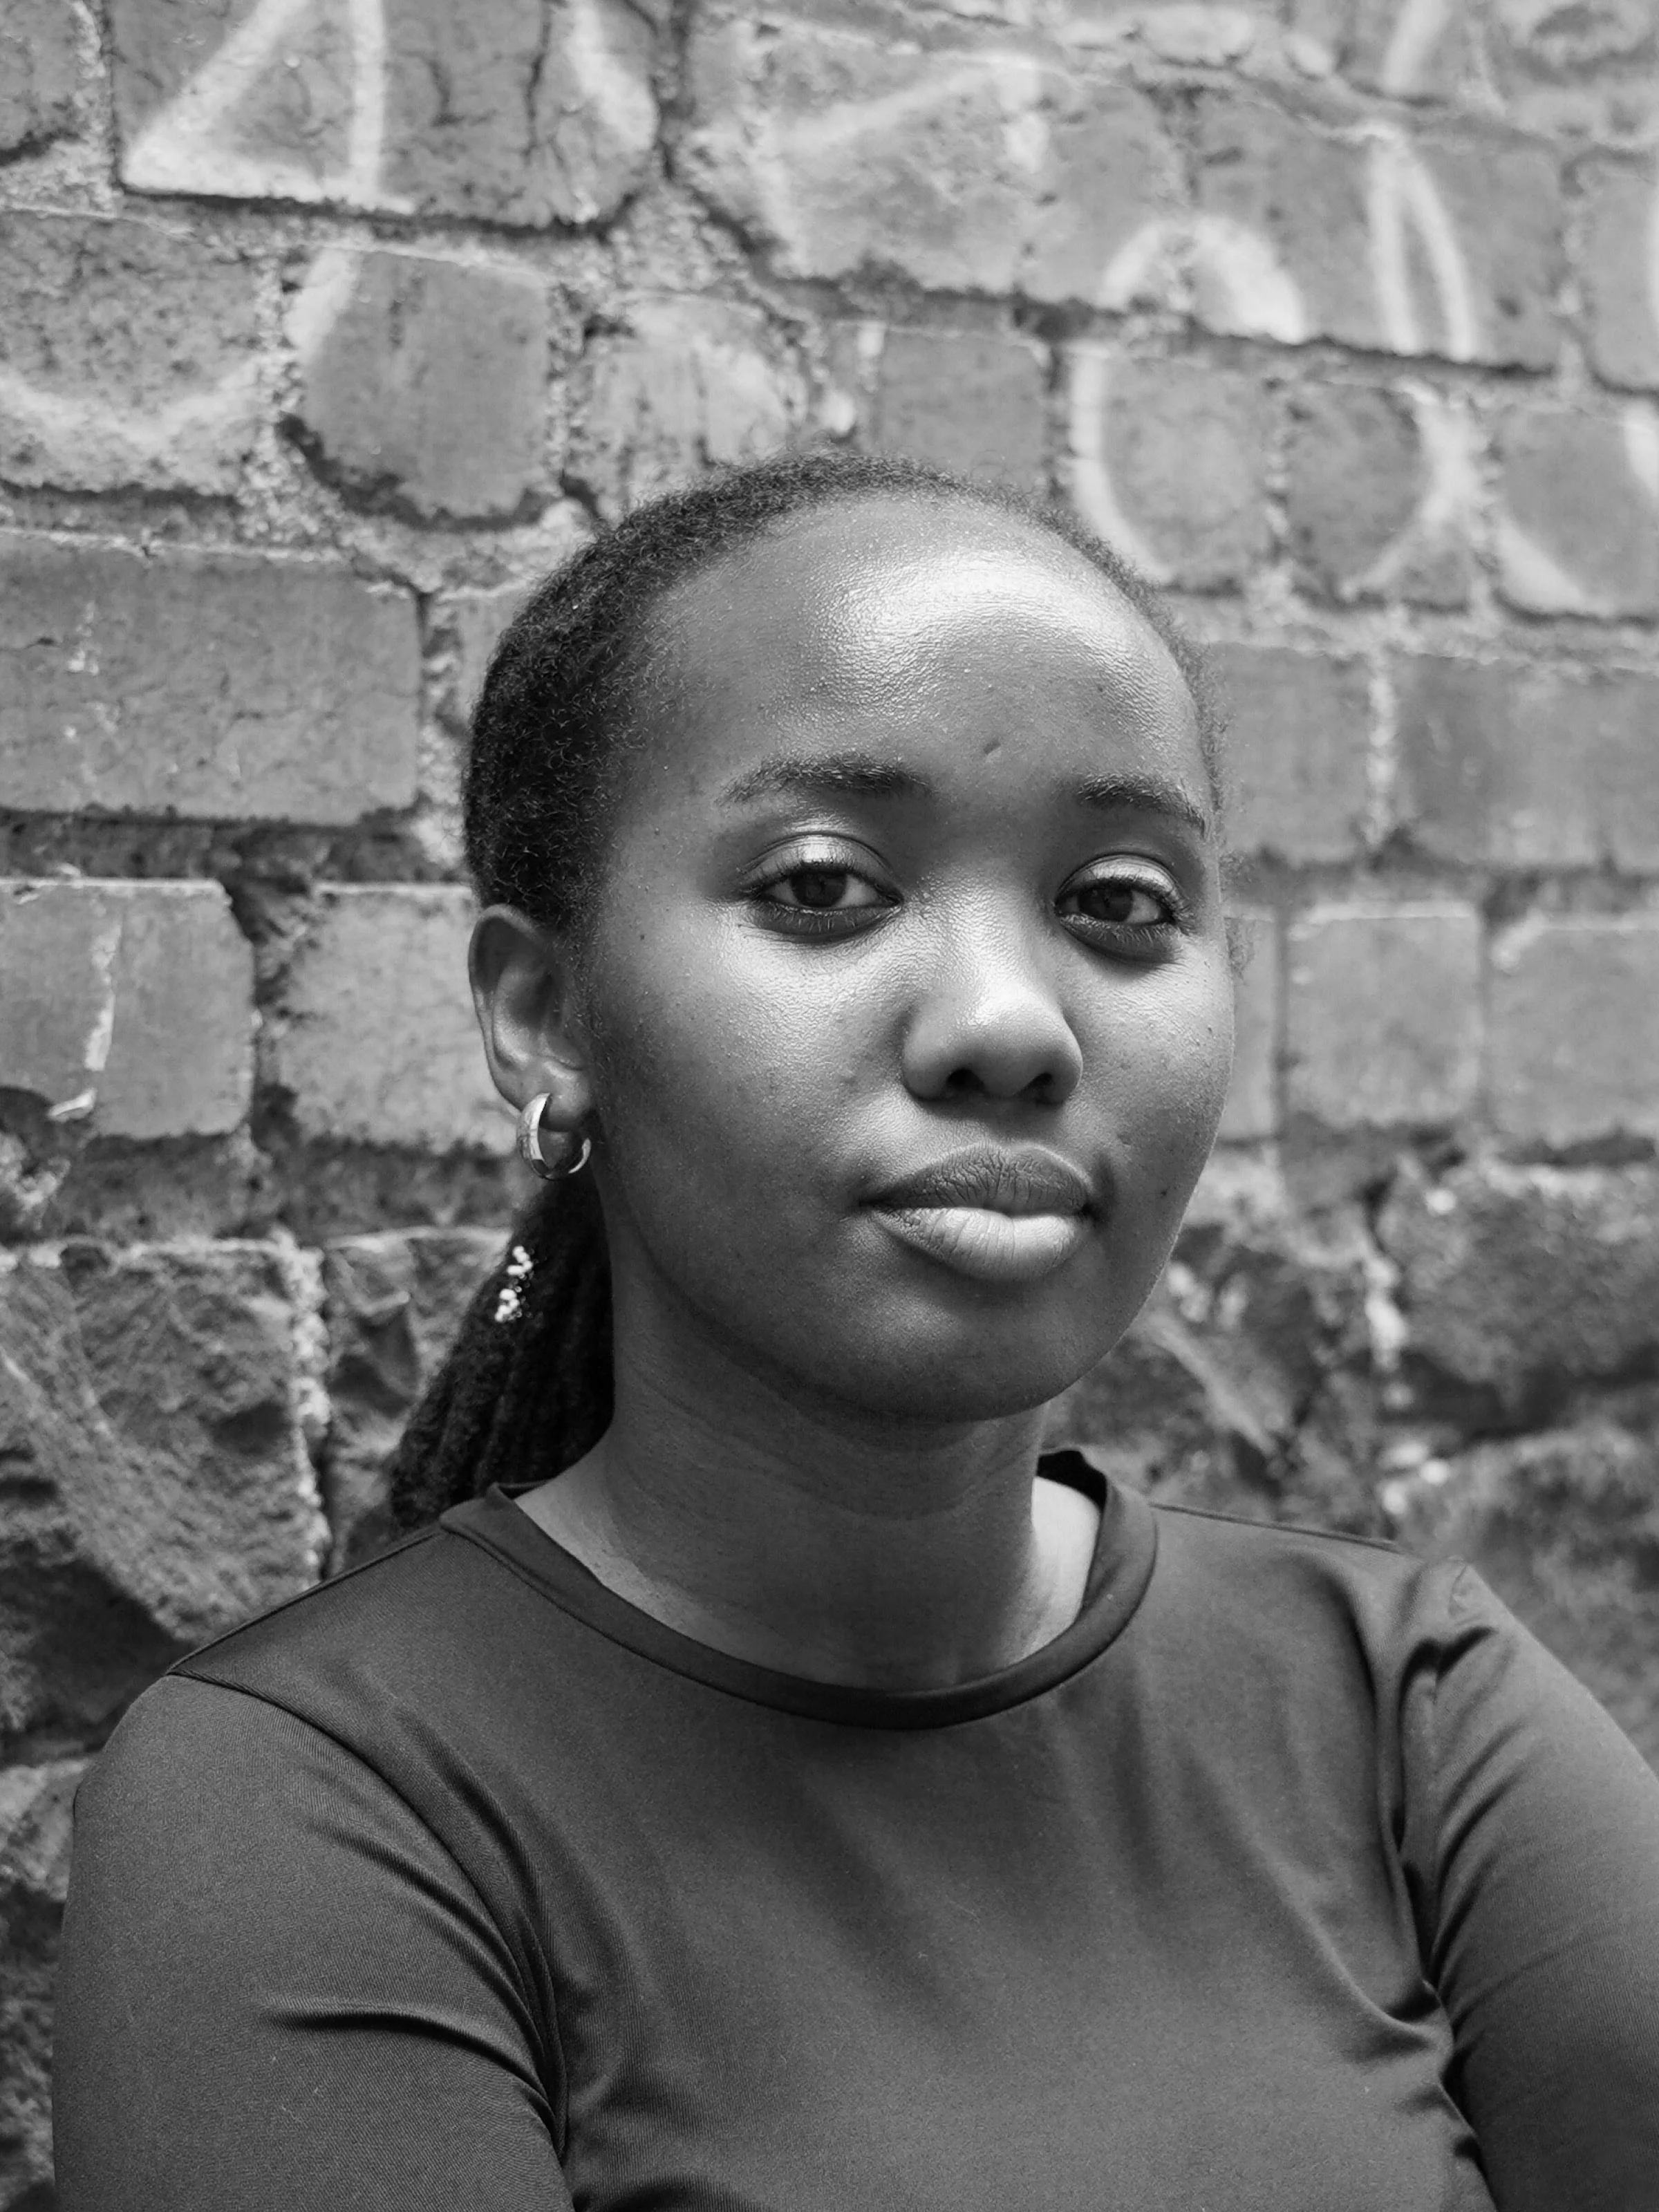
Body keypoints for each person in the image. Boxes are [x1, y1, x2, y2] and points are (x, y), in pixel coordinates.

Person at [53, 453, 1659, 2211]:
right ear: (544, 1014)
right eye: (825, 886)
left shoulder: (1411, 1711)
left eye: (1121, 902)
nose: (1007, 1024)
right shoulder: (310, 1808)